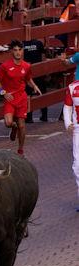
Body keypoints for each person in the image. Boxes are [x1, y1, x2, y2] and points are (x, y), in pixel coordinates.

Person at [0, 39, 42, 155]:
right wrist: (3, 93)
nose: (18, 52)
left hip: (22, 98)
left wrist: (34, 86)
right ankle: (13, 127)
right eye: (15, 50)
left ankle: (20, 150)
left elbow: (28, 79)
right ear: (11, 51)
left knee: (22, 125)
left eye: (20, 50)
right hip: (9, 98)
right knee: (8, 123)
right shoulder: (5, 66)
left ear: (23, 51)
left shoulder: (26, 66)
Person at [63, 78, 79, 211]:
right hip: (78, 130)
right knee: (77, 165)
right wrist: (68, 123)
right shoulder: (72, 87)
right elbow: (67, 107)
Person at [23, 38, 47, 123]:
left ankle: (29, 117)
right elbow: (43, 57)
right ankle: (44, 115)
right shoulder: (39, 43)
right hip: (39, 71)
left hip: (27, 72)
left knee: (28, 93)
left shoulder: (22, 44)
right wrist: (45, 70)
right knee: (42, 92)